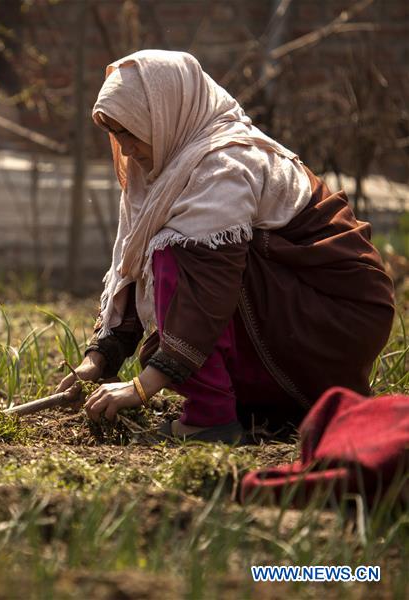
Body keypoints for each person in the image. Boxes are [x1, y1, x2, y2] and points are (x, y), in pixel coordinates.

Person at [55, 50, 395, 443]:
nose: (126, 148)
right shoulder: (163, 168)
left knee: (176, 253)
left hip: (334, 314)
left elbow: (206, 285)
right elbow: (132, 265)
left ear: (165, 114)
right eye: (117, 134)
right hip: (291, 311)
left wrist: (141, 387)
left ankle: (209, 417)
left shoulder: (226, 163)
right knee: (174, 260)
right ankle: (260, 403)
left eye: (132, 130)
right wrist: (98, 360)